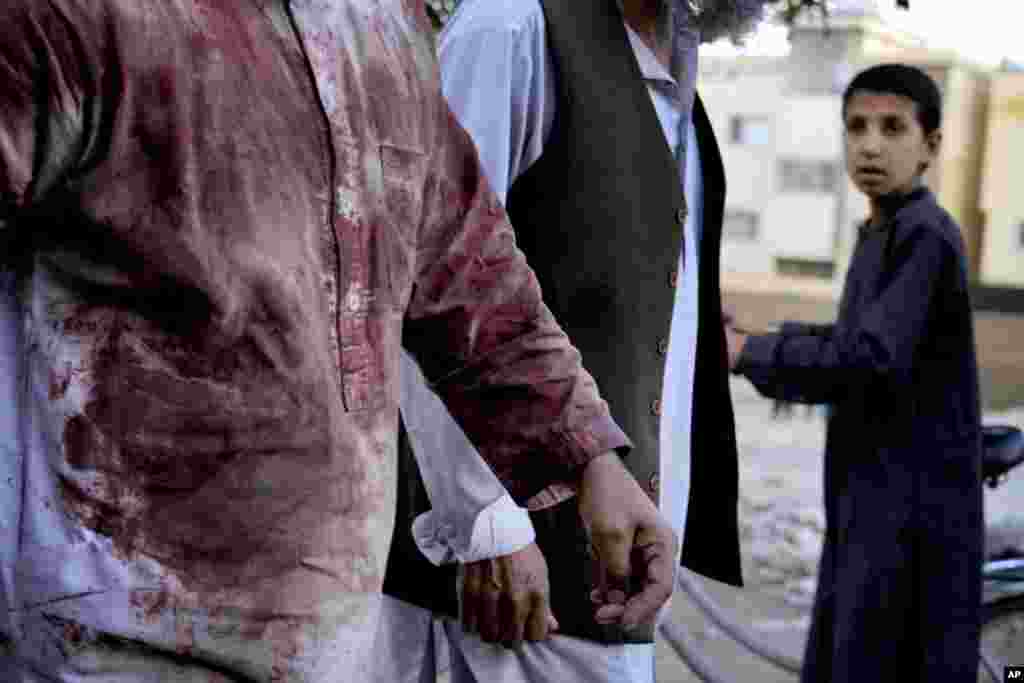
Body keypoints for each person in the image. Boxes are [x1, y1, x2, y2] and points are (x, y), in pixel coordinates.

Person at [0, 2, 680, 681]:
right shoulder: (77, 17)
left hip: (330, 641)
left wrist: (592, 462)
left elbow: (469, 278)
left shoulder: (377, 28)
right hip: (112, 643)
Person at [378, 1, 769, 681]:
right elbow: (426, 276)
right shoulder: (512, 28)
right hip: (503, 597)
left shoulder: (679, 78)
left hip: (607, 596)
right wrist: (487, 524)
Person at [725, 63, 983, 682]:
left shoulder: (924, 236)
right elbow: (851, 341)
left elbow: (868, 359)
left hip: (909, 522)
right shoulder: (883, 231)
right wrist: (755, 340)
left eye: (893, 127)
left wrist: (748, 354)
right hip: (869, 504)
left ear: (931, 146)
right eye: (856, 127)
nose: (869, 144)